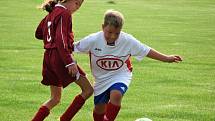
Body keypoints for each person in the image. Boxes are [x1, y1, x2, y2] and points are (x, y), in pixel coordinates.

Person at [74, 9, 183, 121]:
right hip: (101, 79)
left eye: (117, 33)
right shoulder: (93, 39)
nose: (112, 36)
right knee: (99, 109)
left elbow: (146, 50)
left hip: (120, 74)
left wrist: (166, 58)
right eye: (109, 32)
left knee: (116, 95)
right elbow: (71, 48)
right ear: (103, 27)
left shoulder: (127, 40)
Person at [32, 0, 93, 121]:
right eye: (77, 3)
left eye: (80, 5)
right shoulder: (64, 13)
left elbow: (38, 33)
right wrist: (69, 62)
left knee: (55, 99)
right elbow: (61, 40)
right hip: (60, 58)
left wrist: (50, 19)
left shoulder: (53, 12)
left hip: (48, 58)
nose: (78, 7)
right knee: (88, 90)